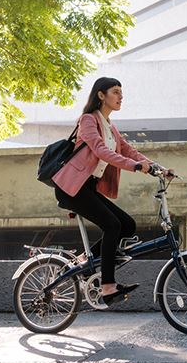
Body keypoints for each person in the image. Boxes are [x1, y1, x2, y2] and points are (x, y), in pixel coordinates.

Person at [52, 77, 173, 305]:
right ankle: (107, 286)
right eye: (115, 92)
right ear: (101, 95)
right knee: (112, 225)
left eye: (121, 92)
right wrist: (134, 167)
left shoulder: (110, 127)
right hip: (71, 188)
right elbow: (99, 150)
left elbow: (130, 151)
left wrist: (159, 169)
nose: (120, 96)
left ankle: (84, 261)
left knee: (127, 226)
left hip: (86, 188)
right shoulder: (88, 120)